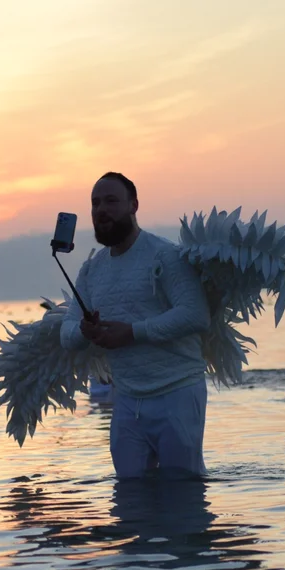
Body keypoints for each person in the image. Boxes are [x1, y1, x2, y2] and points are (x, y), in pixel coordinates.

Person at [60, 172, 210, 479]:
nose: (101, 209)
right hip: (126, 400)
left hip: (178, 391)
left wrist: (131, 332)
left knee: (182, 495)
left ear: (134, 206)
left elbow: (195, 314)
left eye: (111, 201)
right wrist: (83, 331)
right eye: (95, 203)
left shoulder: (165, 254)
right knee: (128, 498)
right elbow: (66, 332)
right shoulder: (92, 269)